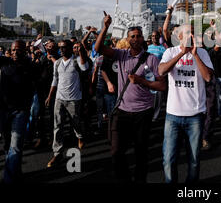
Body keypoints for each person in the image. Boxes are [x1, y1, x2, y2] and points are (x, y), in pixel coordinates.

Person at [94, 13, 166, 183]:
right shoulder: (120, 54)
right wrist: (105, 27)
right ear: (127, 39)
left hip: (143, 112)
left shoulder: (152, 59)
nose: (136, 39)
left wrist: (142, 81)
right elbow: (98, 49)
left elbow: (162, 86)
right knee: (116, 152)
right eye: (132, 36)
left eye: (139, 36)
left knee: (141, 152)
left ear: (143, 39)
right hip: (122, 111)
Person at [158, 24, 214, 183]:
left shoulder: (202, 53)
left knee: (194, 160)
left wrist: (195, 55)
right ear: (180, 37)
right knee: (168, 159)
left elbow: (208, 78)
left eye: (194, 33)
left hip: (195, 116)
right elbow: (161, 71)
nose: (192, 35)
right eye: (188, 33)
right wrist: (182, 53)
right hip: (173, 116)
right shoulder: (171, 52)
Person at [45, 39, 89, 168]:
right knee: (57, 126)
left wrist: (81, 52)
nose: (61, 50)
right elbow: (55, 80)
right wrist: (49, 96)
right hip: (59, 98)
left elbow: (85, 67)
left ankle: (80, 136)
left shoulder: (76, 61)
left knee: (75, 123)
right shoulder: (57, 63)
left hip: (74, 99)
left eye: (64, 47)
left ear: (70, 48)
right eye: (60, 47)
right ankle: (57, 154)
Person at [0, 40, 40, 183]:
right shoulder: (4, 62)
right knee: (7, 145)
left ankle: (8, 180)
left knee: (15, 146)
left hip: (20, 112)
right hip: (4, 111)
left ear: (25, 51)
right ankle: (16, 172)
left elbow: (38, 82)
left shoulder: (31, 66)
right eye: (13, 50)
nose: (16, 52)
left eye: (19, 50)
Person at [147, 30, 167, 122]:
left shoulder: (163, 49)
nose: (154, 37)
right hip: (148, 76)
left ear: (159, 37)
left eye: (156, 36)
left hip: (159, 76)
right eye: (153, 36)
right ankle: (149, 114)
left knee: (159, 98)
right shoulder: (148, 48)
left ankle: (155, 116)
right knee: (149, 96)